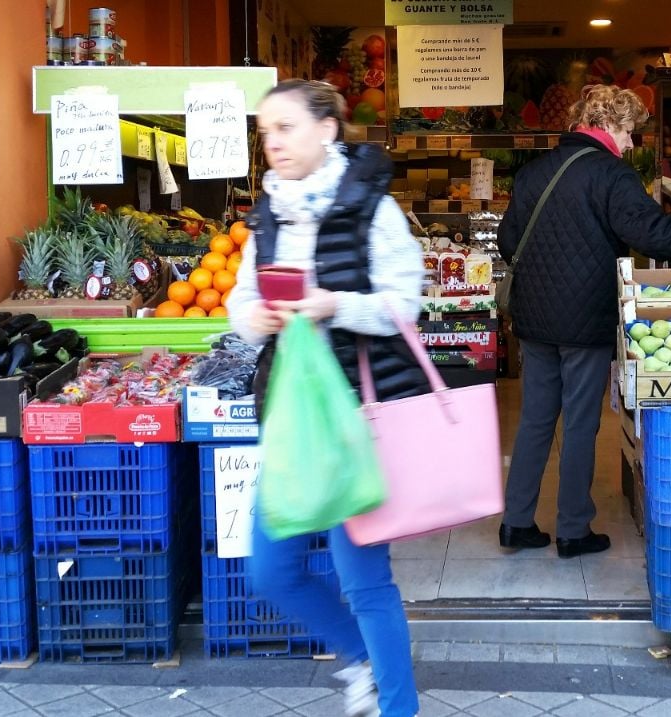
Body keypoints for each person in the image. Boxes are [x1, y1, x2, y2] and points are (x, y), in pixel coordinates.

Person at [226, 79, 428, 717]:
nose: (272, 143)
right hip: (293, 416)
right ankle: (361, 658)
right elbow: (240, 300)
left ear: (327, 130)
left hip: (360, 418)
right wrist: (252, 319)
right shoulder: (267, 214)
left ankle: (399, 707)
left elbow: (405, 304)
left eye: (284, 128)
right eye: (264, 132)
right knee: (272, 571)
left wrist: (333, 304)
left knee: (365, 580)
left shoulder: (374, 208)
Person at [497, 84, 671, 558]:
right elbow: (652, 233)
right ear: (609, 125)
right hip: (584, 318)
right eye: (630, 132)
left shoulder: (534, 174)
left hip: (534, 319)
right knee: (578, 423)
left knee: (536, 419)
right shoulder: (611, 176)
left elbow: (507, 242)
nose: (633, 143)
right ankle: (573, 530)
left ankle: (516, 522)